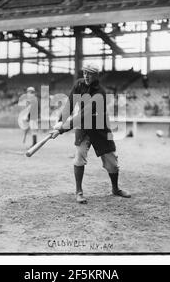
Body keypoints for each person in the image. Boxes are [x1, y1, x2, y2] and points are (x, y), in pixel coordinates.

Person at [50, 64, 131, 204]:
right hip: (83, 128)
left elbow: (83, 114)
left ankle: (115, 188)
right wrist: (60, 121)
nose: (86, 76)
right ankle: (79, 192)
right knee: (79, 157)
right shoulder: (79, 84)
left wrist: (61, 129)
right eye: (85, 73)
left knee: (112, 162)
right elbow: (70, 104)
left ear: (96, 75)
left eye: (90, 74)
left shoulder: (100, 93)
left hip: (100, 128)